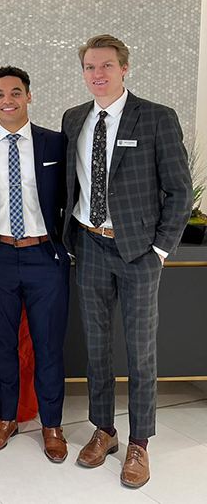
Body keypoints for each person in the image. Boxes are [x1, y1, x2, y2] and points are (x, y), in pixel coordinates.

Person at [62, 35, 192, 487]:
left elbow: (178, 190)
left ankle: (139, 442)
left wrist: (159, 249)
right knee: (97, 349)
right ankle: (105, 430)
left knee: (141, 351)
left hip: (138, 252)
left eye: (107, 66)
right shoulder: (74, 118)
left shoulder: (156, 117)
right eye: (90, 67)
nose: (98, 74)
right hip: (90, 245)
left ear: (124, 69)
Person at [0, 66, 69, 462]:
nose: (7, 99)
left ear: (28, 96)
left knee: (48, 345)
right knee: (2, 343)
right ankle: (6, 418)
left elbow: (70, 193)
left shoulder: (55, 143)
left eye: (15, 92)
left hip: (46, 257)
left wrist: (65, 247)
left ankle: (52, 424)